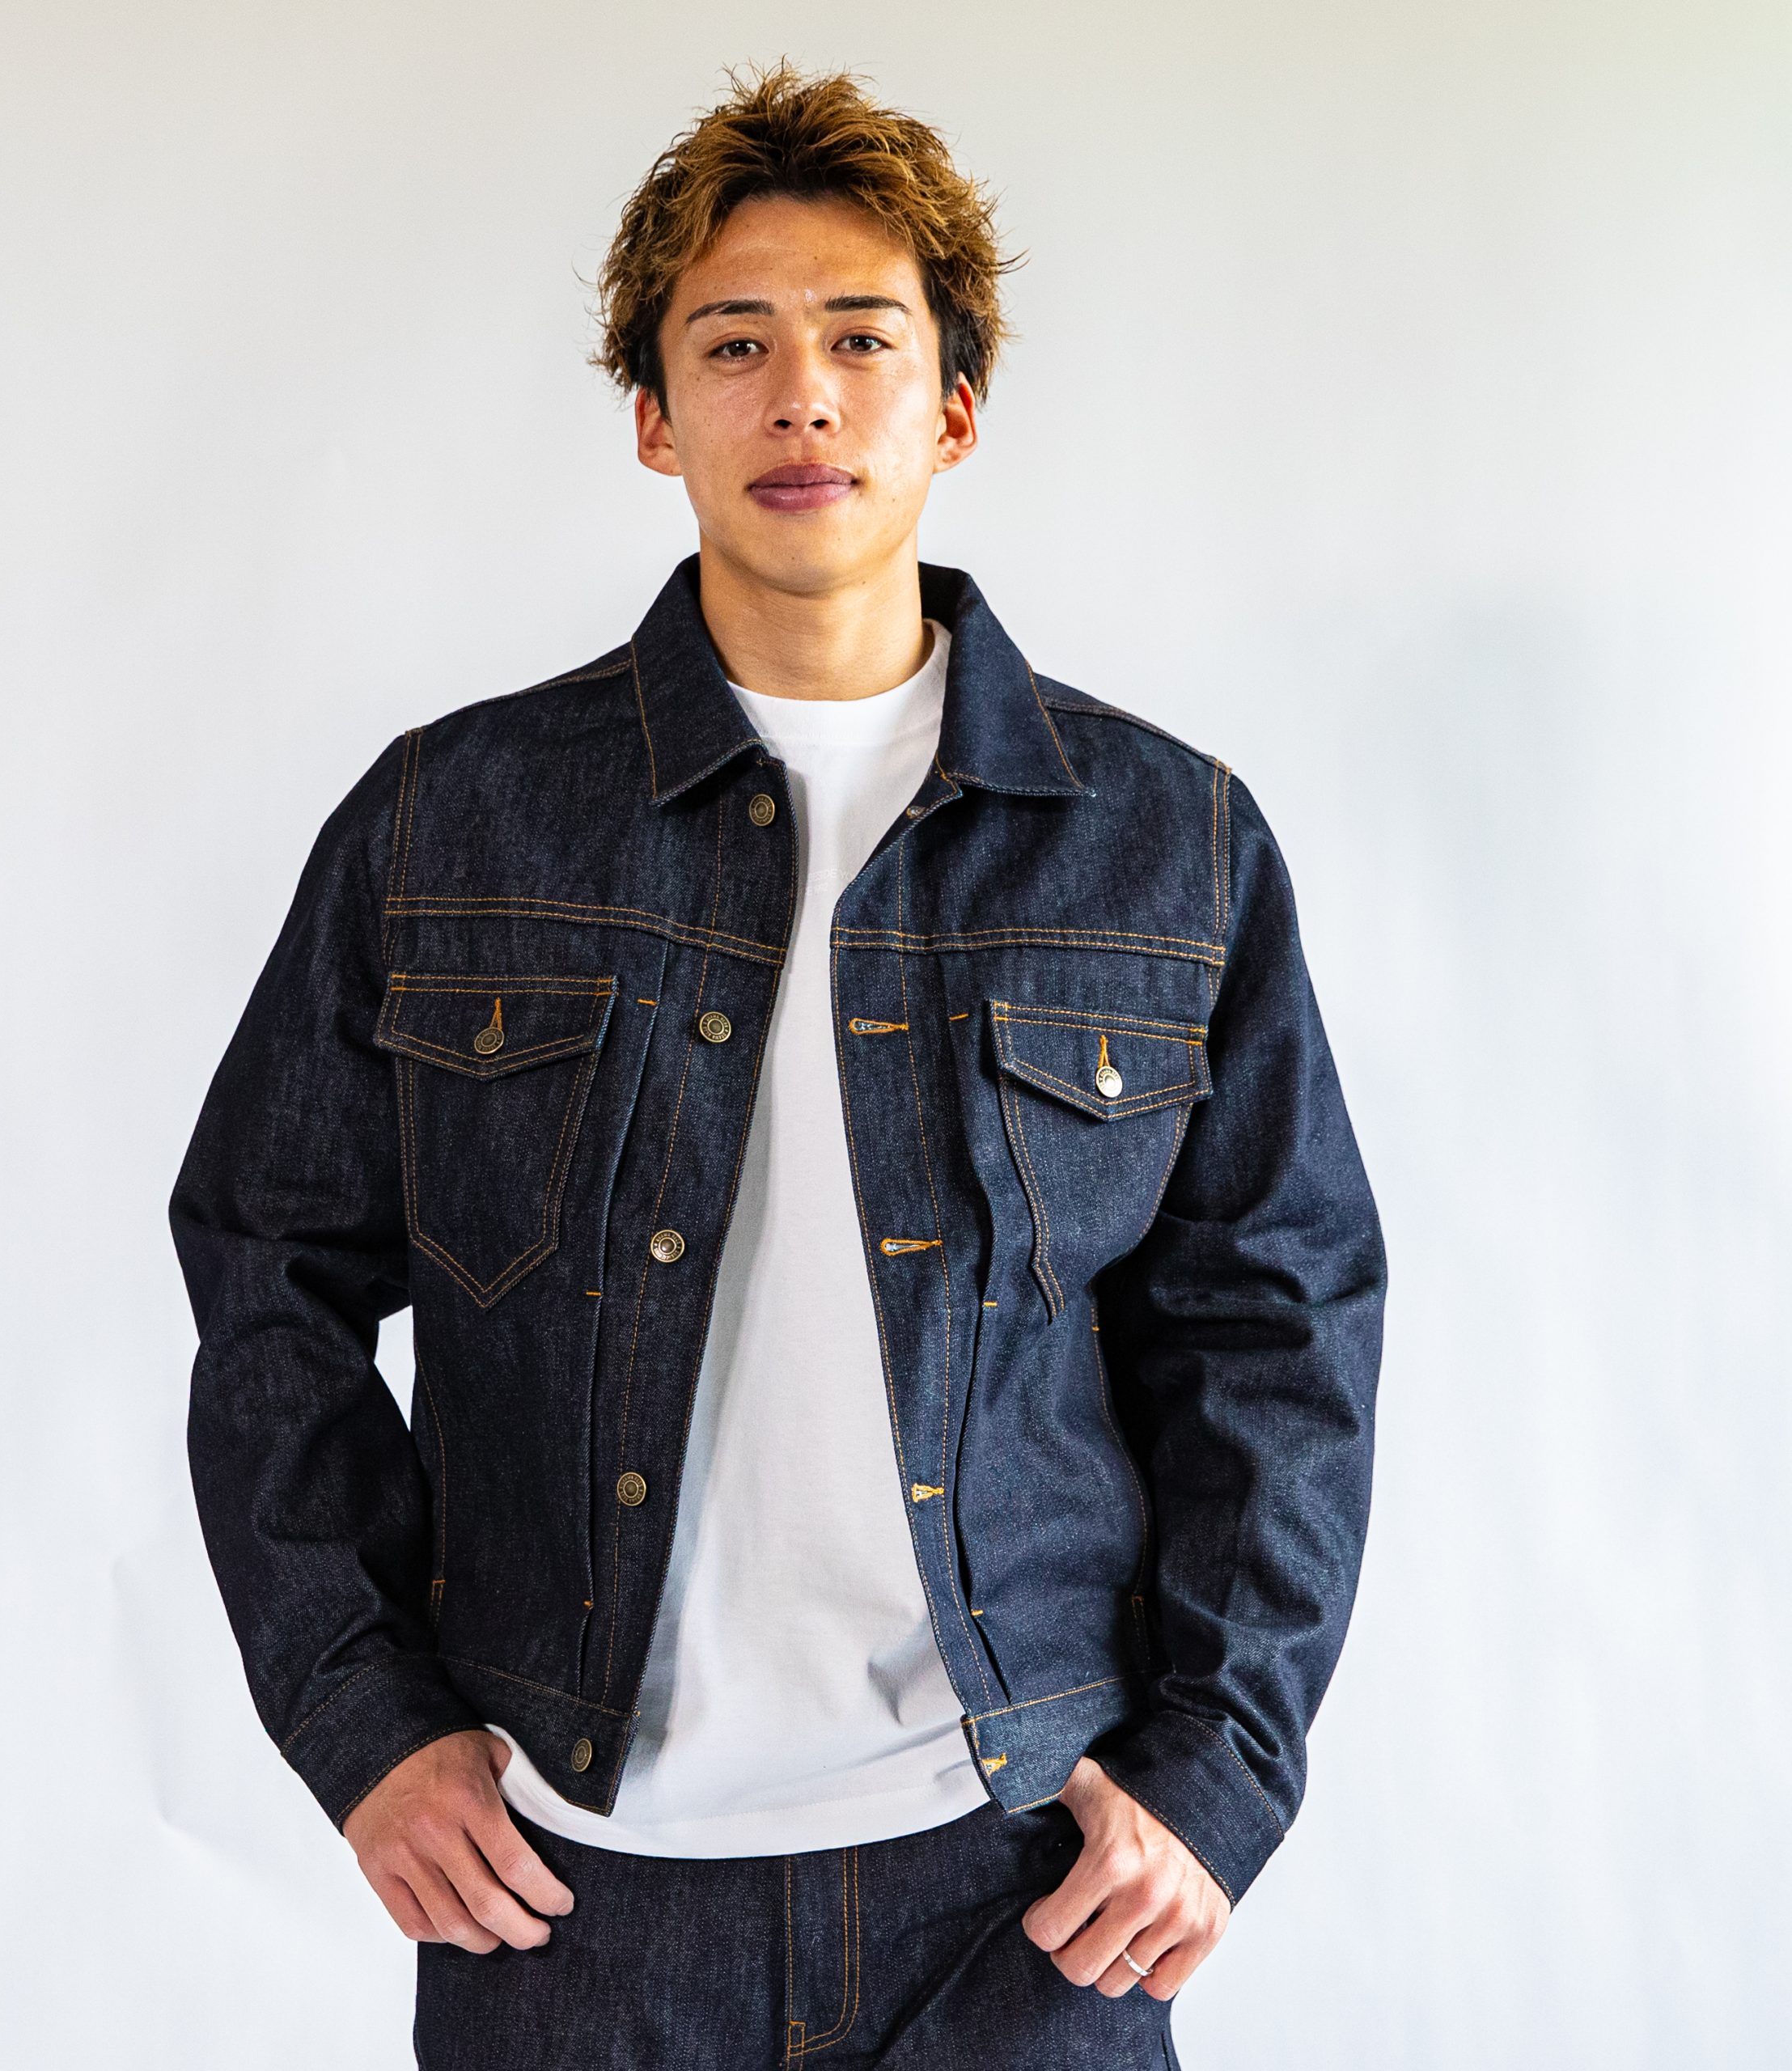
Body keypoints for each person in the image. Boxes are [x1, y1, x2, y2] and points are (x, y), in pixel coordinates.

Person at [171, 59, 1387, 2069]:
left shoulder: (1163, 844)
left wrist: (1220, 1769)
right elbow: (265, 1274)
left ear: (953, 405)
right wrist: (359, 1716)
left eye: (859, 339)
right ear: (655, 416)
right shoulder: (451, 824)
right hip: (567, 1898)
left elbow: (1278, 1323)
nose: (799, 397)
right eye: (731, 343)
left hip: (1023, 1889)